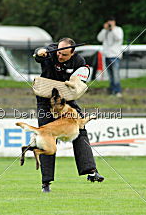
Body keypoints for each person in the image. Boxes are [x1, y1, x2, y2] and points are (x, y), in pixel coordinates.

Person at [34, 37, 105, 193]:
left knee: (80, 129)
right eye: (59, 53)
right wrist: (39, 53)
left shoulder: (79, 61)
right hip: (46, 101)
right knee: (47, 137)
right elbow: (38, 55)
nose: (60, 56)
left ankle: (91, 171)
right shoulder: (51, 51)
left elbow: (81, 80)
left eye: (64, 55)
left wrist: (75, 83)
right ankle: (46, 183)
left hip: (66, 100)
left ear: (72, 53)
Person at [97, 17, 124, 97]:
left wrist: (112, 29)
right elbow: (99, 38)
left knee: (116, 74)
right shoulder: (105, 31)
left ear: (114, 22)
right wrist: (104, 29)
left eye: (111, 22)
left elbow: (118, 38)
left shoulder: (118, 29)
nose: (110, 23)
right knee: (110, 75)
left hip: (115, 55)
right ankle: (112, 91)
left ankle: (118, 91)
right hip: (107, 55)